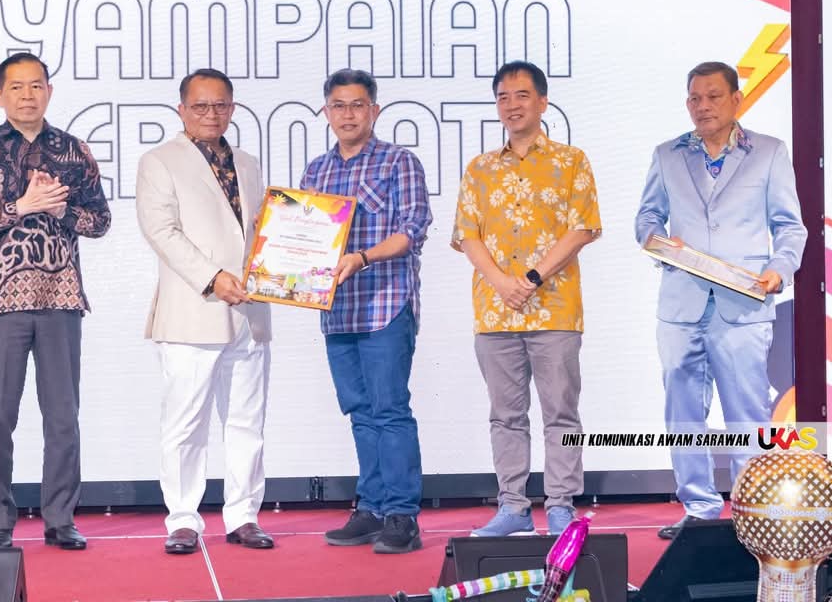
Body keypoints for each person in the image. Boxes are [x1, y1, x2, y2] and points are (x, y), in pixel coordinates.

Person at [634, 61, 805, 539]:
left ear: (736, 99)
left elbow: (790, 226)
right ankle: (699, 508)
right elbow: (646, 219)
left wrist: (779, 269)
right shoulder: (667, 154)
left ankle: (753, 513)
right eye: (695, 98)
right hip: (681, 305)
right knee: (683, 411)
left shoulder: (769, 152)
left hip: (744, 304)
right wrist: (659, 242)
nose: (703, 106)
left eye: (713, 96)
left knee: (747, 412)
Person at [0, 52, 110, 550]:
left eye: (36, 86)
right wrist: (19, 206)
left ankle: (60, 518)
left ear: (49, 91)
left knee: (63, 417)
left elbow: (100, 221)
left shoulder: (74, 151)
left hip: (61, 299)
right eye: (17, 87)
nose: (27, 95)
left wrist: (62, 211)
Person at [452, 60, 601, 537]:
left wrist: (532, 278)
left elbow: (582, 228)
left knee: (561, 413)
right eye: (503, 97)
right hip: (496, 312)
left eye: (521, 95)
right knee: (506, 416)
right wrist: (501, 281)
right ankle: (513, 506)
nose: (511, 105)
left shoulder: (571, 161)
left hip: (554, 309)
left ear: (542, 101)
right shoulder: (479, 168)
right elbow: (467, 235)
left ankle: (560, 505)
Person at [135, 68, 274, 555]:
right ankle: (182, 520)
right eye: (200, 106)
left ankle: (243, 516)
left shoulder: (249, 163)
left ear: (232, 109)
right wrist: (213, 277)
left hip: (250, 311)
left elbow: (260, 232)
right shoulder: (159, 161)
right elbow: (161, 231)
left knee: (247, 422)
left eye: (220, 105)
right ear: (182, 110)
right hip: (193, 310)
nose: (211, 114)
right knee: (185, 424)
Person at [301, 69, 432, 554]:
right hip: (337, 311)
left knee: (389, 409)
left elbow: (412, 230)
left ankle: (401, 515)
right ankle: (372, 508)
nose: (348, 114)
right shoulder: (316, 171)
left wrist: (362, 257)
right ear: (326, 112)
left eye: (357, 105)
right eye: (338, 105)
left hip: (384, 306)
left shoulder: (399, 161)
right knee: (359, 412)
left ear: (374, 110)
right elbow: (304, 241)